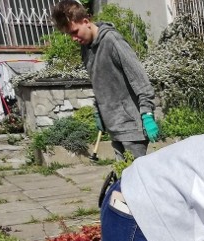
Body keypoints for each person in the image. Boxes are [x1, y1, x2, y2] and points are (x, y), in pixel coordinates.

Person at [51, 0, 159, 160]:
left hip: (131, 127)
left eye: (75, 32)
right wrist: (99, 111)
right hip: (114, 126)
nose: (73, 38)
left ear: (86, 22)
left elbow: (140, 79)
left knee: (137, 178)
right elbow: (99, 83)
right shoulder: (86, 49)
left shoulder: (112, 41)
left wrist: (147, 114)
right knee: (123, 177)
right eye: (70, 35)